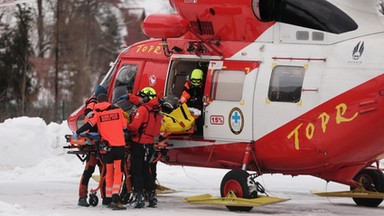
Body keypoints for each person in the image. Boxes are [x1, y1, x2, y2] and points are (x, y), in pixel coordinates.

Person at [74, 93, 127, 210]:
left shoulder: (96, 112)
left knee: (105, 171)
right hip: (118, 146)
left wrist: (77, 133)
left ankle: (104, 197)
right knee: (117, 172)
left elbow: (88, 124)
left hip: (103, 146)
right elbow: (125, 126)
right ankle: (113, 197)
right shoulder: (118, 110)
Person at [127, 87, 162, 208]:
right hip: (150, 144)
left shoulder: (143, 110)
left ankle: (139, 197)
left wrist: (126, 127)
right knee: (147, 170)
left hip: (139, 143)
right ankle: (151, 196)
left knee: (137, 170)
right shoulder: (157, 110)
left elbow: (134, 126)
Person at [77, 85, 107, 207]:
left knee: (103, 170)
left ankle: (105, 197)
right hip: (93, 142)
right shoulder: (92, 105)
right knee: (90, 170)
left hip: (100, 141)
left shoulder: (98, 105)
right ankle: (82, 197)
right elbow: (89, 116)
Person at [179, 68, 205, 135]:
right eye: (194, 81)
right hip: (191, 107)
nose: (196, 83)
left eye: (198, 81)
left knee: (200, 122)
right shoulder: (188, 85)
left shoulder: (205, 86)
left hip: (201, 106)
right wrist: (181, 103)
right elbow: (184, 96)